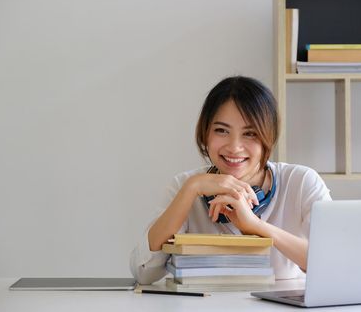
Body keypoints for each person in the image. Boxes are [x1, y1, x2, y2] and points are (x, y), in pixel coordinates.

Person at [130, 76, 331, 284]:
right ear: (205, 133)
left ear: (268, 137)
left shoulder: (301, 182)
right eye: (221, 131)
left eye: (250, 133)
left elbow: (333, 264)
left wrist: (255, 226)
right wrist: (192, 189)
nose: (234, 147)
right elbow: (144, 273)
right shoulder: (185, 185)